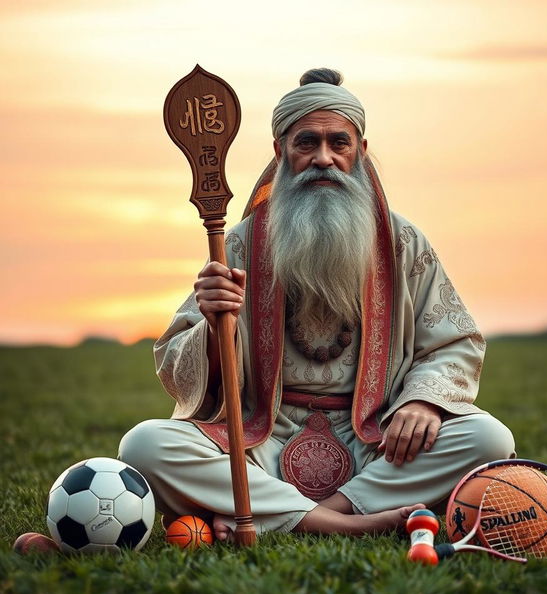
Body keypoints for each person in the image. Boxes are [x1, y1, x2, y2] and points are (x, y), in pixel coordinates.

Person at [118, 68, 515, 541]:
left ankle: (301, 514)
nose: (323, 158)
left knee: (489, 439)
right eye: (307, 142)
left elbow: (455, 341)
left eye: (338, 143)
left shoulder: (401, 242)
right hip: (261, 441)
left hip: (376, 441)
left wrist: (425, 402)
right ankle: (349, 523)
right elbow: (176, 370)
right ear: (281, 151)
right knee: (144, 445)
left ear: (360, 153)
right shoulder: (238, 244)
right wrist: (210, 324)